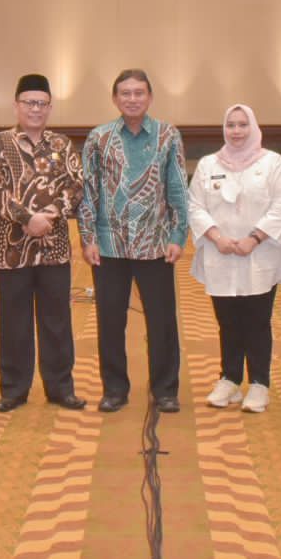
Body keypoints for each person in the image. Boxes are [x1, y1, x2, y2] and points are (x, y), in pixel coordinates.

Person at [78, 69, 189, 414]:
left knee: (162, 321)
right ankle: (114, 388)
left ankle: (166, 389)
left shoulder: (168, 135)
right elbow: (88, 192)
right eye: (125, 93)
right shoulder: (99, 137)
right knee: (110, 321)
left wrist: (177, 234)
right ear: (115, 98)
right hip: (109, 245)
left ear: (150, 97)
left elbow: (177, 188)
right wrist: (88, 237)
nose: (132, 99)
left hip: (155, 244)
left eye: (139, 92)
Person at [0, 73, 87, 413]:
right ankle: (14, 389)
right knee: (13, 320)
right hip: (11, 248)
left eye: (42, 103)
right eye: (29, 102)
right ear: (16, 105)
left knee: (56, 320)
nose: (35, 109)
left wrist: (52, 213)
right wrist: (28, 219)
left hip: (53, 248)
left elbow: (76, 185)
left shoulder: (62, 145)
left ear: (50, 108)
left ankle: (60, 387)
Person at [188, 103, 281, 413]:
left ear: (254, 127)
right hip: (220, 254)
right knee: (227, 321)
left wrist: (254, 238)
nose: (236, 131)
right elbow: (194, 205)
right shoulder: (209, 165)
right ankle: (230, 379)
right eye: (231, 125)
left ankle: (260, 383)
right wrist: (217, 237)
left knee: (257, 321)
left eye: (242, 125)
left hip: (260, 255)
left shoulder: (273, 163)